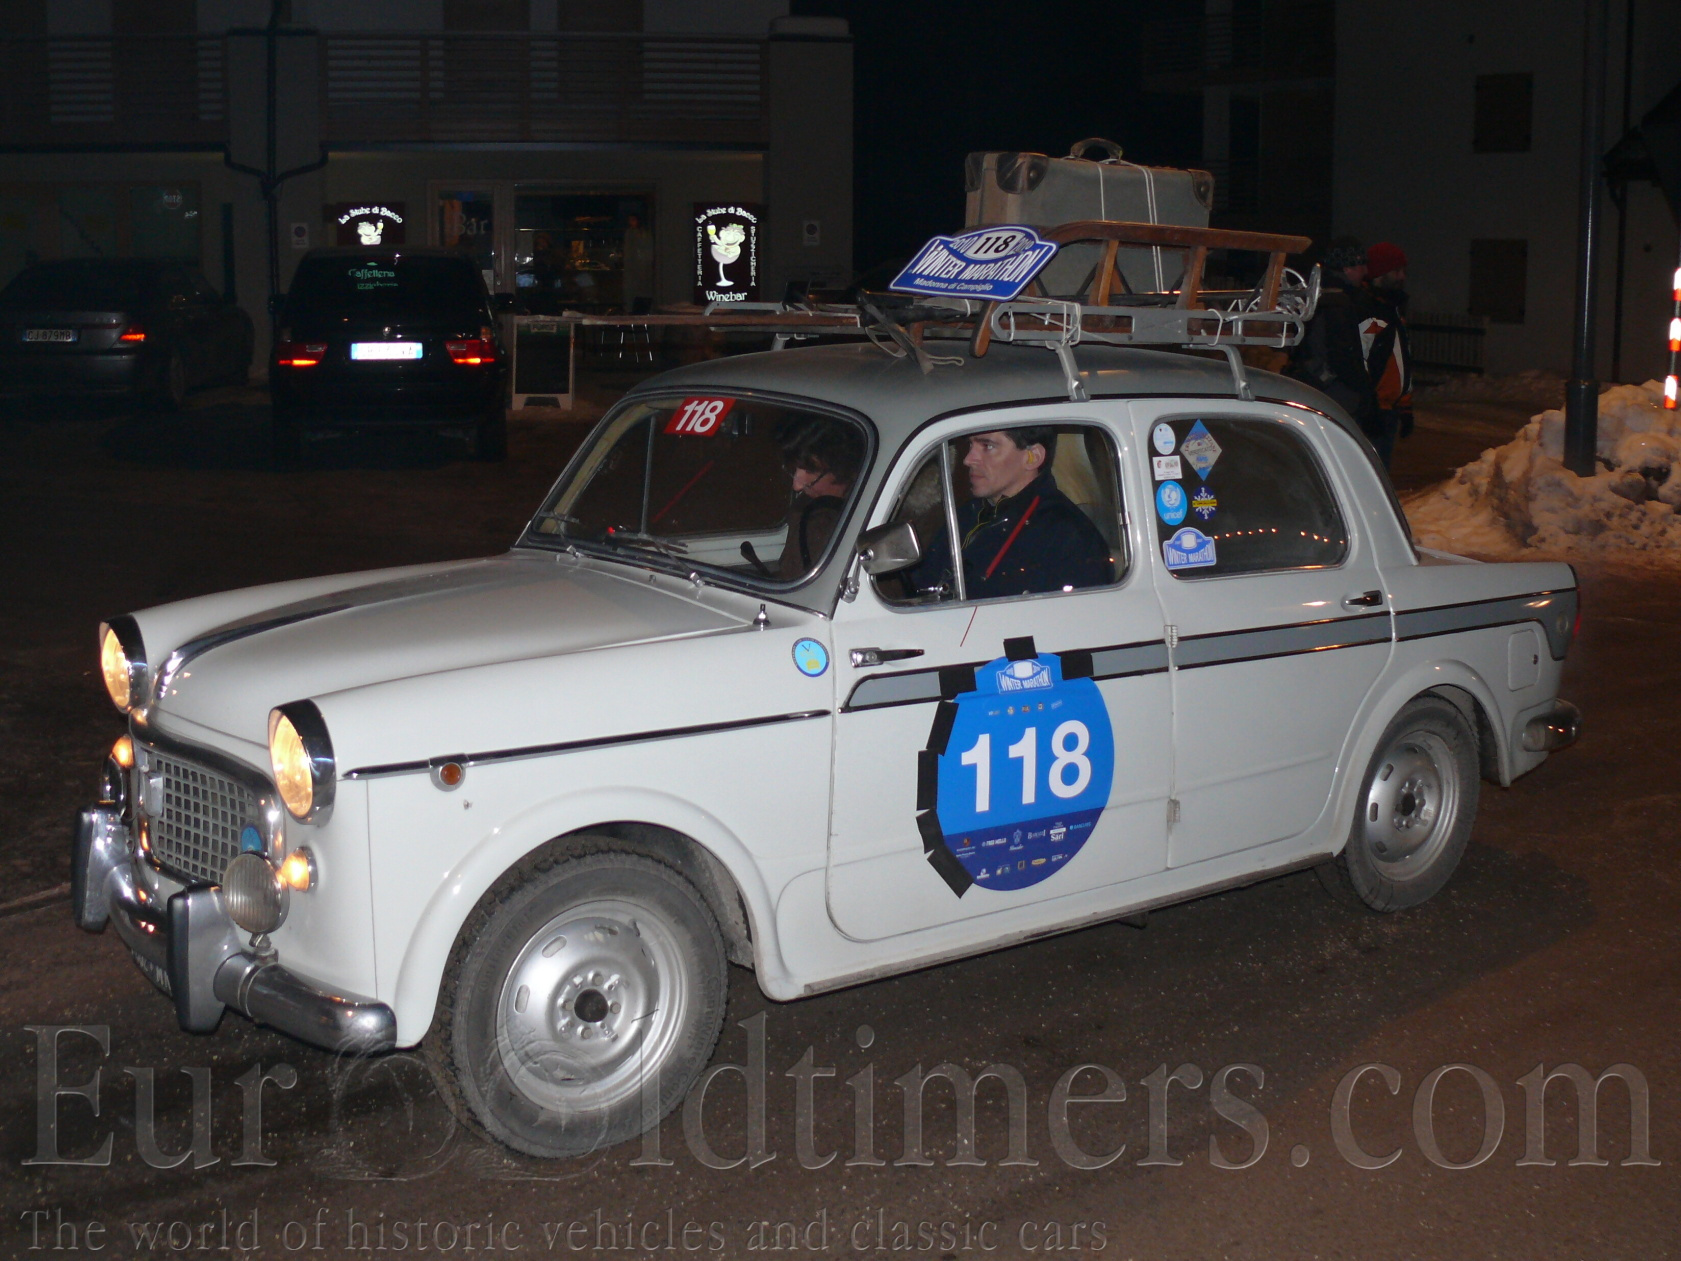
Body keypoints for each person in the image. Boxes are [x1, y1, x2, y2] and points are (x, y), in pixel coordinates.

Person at [909, 428, 1112, 600]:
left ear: (1033, 457)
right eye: (970, 445)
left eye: (987, 446)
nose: (968, 459)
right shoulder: (968, 515)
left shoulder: (1067, 535)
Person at [1292, 237, 1377, 438]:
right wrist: (1364, 394)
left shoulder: (1320, 296)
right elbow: (1343, 356)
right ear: (1347, 269)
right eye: (1361, 265)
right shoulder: (1337, 304)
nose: (1365, 271)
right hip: (1335, 395)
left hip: (1320, 389)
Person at [774, 419, 863, 580]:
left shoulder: (873, 513)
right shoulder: (804, 509)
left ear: (840, 471)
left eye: (809, 471)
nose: (796, 486)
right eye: (793, 470)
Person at [1358, 240, 1414, 470]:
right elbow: (1360, 361)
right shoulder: (1372, 311)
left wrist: (1405, 406)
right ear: (1380, 274)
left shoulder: (1392, 309)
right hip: (1374, 411)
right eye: (1396, 271)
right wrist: (1368, 406)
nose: (1402, 277)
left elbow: (1401, 361)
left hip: (1388, 409)